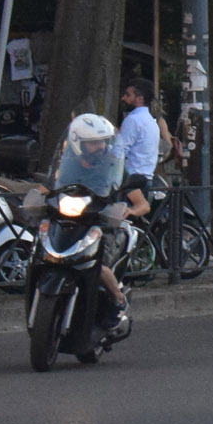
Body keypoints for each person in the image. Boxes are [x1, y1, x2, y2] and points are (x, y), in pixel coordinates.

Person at [33, 113, 151, 321]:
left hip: (104, 224)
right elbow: (49, 186)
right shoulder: (67, 165)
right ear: (78, 143)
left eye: (102, 142)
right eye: (93, 143)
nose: (100, 147)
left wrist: (130, 211)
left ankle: (118, 300)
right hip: (72, 221)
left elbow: (143, 205)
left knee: (99, 264)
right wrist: (37, 196)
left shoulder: (114, 165)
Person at [116, 79, 160, 179]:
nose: (123, 98)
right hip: (146, 176)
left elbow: (120, 151)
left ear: (140, 99)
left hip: (131, 179)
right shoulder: (151, 121)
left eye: (128, 95)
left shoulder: (132, 120)